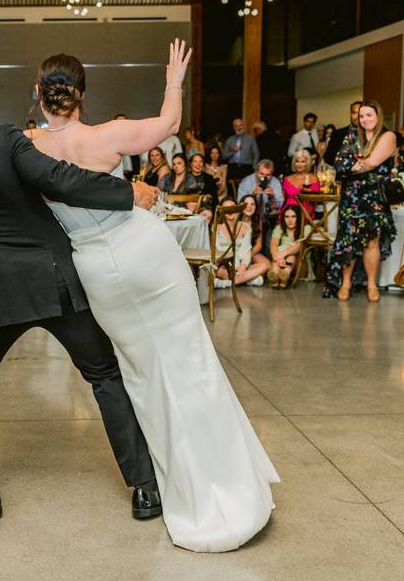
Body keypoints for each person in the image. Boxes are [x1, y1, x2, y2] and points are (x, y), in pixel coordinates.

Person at [24, 40, 278, 552]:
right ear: (82, 95)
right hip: (148, 253)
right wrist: (173, 80)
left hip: (97, 270)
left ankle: (167, 483)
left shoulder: (27, 146)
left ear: (39, 93)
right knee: (191, 360)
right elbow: (167, 125)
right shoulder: (109, 135)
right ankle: (230, 482)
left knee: (142, 376)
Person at [0, 68, 162, 526]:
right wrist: (128, 192)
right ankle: (145, 489)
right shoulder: (2, 140)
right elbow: (60, 179)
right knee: (104, 374)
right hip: (54, 279)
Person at [324, 100, 397, 302]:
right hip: (351, 196)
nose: (364, 119)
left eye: (369, 115)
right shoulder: (352, 135)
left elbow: (372, 163)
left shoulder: (388, 136)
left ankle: (372, 285)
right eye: (361, 115)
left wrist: (356, 165)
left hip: (374, 196)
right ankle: (346, 283)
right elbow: (339, 162)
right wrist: (355, 165)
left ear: (378, 116)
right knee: (349, 240)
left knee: (372, 241)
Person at [268, 204, 310, 288]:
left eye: (293, 216)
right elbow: (273, 244)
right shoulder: (279, 227)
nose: (290, 220)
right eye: (287, 217)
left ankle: (284, 274)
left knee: (291, 254)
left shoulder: (306, 228)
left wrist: (283, 254)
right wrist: (278, 257)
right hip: (281, 261)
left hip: (301, 266)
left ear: (298, 217)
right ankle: (275, 277)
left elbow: (298, 246)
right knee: (278, 250)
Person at [236, 159, 284, 228]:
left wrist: (272, 197)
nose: (264, 177)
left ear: (272, 174)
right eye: (261, 174)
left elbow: (280, 205)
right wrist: (252, 196)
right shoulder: (246, 182)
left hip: (269, 218)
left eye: (268, 175)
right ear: (256, 172)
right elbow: (240, 203)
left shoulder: (275, 182)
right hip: (250, 218)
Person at [282, 148, 320, 217]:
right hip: (288, 213)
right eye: (297, 161)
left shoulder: (313, 178)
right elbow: (283, 200)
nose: (299, 164)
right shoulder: (287, 179)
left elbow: (316, 200)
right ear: (294, 162)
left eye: (303, 161)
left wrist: (308, 192)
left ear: (307, 163)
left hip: (305, 214)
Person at [323, 101, 361, 166]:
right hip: (340, 174)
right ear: (350, 114)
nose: (357, 116)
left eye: (360, 113)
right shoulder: (337, 134)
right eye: (354, 112)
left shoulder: (370, 134)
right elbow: (328, 158)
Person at [188, 152, 217, 219]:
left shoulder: (209, 178)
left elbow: (214, 197)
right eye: (195, 161)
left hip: (204, 207)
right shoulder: (184, 177)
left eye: (200, 162)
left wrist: (207, 199)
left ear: (203, 164)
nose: (198, 164)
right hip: (187, 206)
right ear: (191, 163)